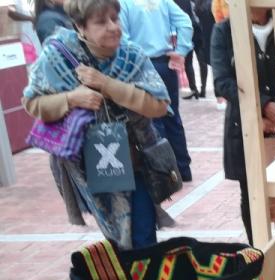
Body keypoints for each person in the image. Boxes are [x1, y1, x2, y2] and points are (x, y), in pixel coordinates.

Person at [23, 0, 173, 249]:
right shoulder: (57, 57)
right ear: (80, 26)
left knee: (144, 238)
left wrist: (108, 85)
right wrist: (71, 98)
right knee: (116, 241)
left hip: (136, 163)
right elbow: (32, 103)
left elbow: (158, 105)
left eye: (115, 18)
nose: (113, 27)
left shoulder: (131, 55)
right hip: (89, 167)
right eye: (102, 22)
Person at [210, 5, 275, 245]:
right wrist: (264, 105)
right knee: (251, 195)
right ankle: (258, 253)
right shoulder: (224, 31)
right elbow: (222, 81)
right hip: (243, 127)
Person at [118, 0, 193, 181]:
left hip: (142, 65)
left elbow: (123, 39)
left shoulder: (123, 4)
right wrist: (181, 49)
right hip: (164, 63)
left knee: (152, 120)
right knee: (172, 116)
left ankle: (166, 172)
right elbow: (185, 22)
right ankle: (183, 168)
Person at [183, 0, 213, 99]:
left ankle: (198, 89)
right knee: (196, 61)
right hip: (197, 32)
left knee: (195, 61)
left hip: (191, 33)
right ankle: (197, 89)